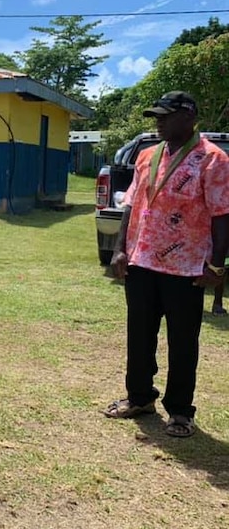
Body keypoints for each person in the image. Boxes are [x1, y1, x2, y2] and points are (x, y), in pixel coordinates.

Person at [104, 91, 229, 438]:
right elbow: (131, 204)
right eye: (156, 116)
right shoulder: (147, 155)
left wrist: (217, 266)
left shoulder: (213, 160)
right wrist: (119, 249)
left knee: (183, 341)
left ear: (188, 117)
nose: (158, 121)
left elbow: (222, 216)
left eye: (165, 115)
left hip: (186, 267)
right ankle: (140, 397)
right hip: (142, 261)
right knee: (139, 335)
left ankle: (180, 411)